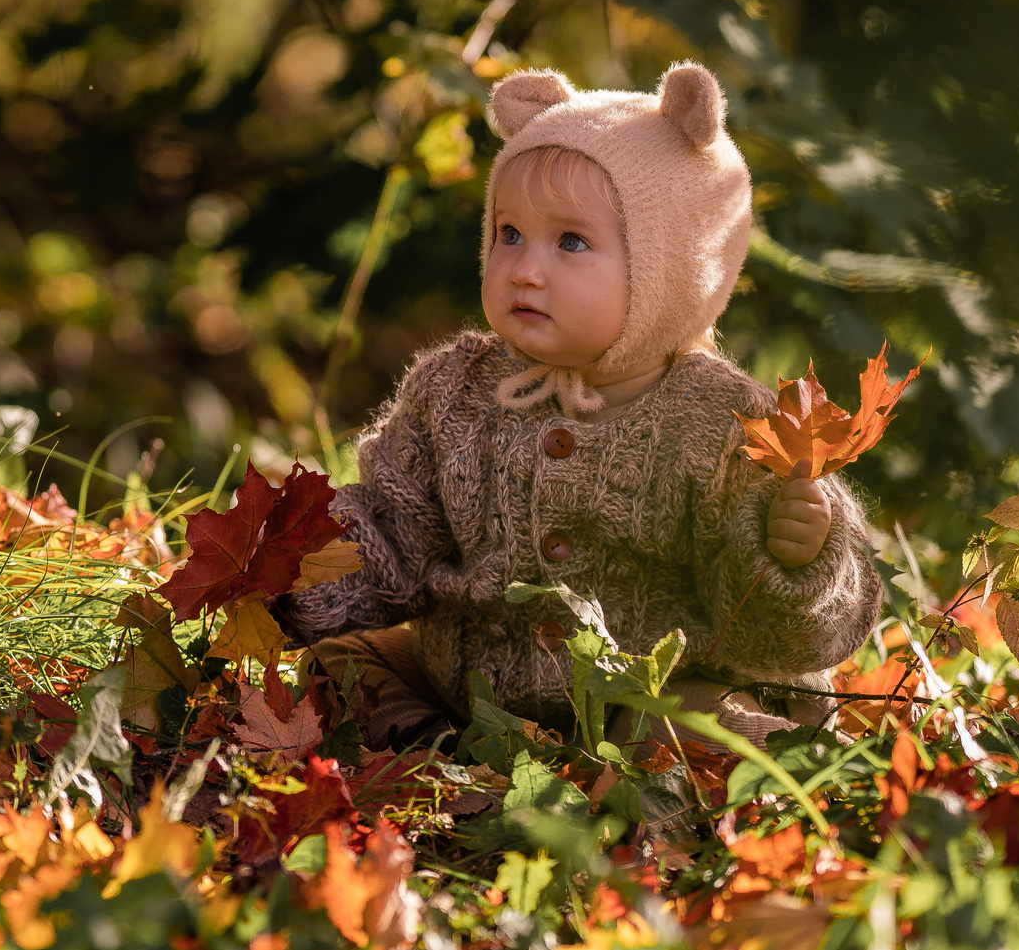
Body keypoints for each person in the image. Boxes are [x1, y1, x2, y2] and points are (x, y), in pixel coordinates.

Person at [275, 62, 882, 749]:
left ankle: (700, 778)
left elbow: (805, 629)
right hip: (471, 685)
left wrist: (795, 556)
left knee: (685, 729)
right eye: (509, 234)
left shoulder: (727, 423)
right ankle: (431, 752)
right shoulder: (454, 390)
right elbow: (394, 528)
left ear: (671, 270)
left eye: (571, 241)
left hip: (663, 685)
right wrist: (296, 565)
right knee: (346, 662)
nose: (526, 268)